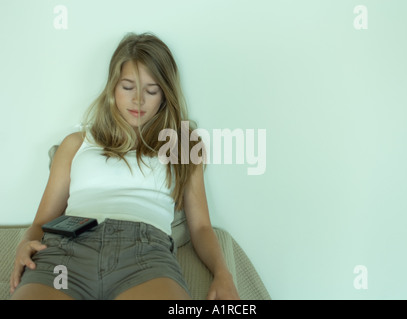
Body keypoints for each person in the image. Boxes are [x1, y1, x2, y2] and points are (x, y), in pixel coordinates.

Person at [9, 32, 240, 300]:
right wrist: (24, 244)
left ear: (165, 94)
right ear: (112, 88)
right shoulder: (75, 144)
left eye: (151, 90)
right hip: (66, 251)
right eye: (128, 87)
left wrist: (223, 273)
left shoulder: (184, 145)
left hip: (145, 257)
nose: (138, 100)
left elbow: (201, 228)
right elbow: (42, 222)